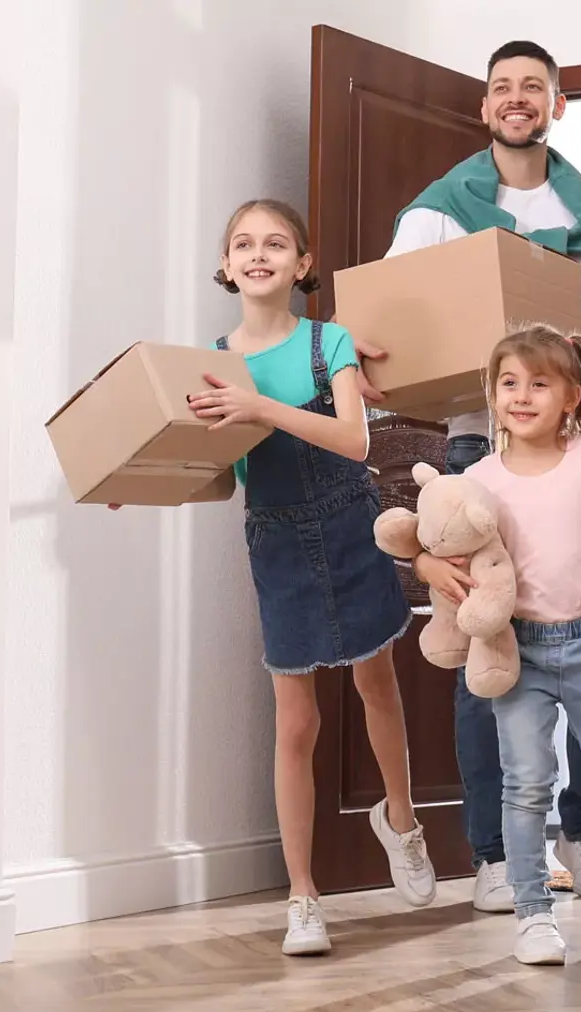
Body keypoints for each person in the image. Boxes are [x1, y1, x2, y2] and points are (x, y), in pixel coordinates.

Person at [375, 39, 581, 914]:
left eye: (534, 87)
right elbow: (392, 338)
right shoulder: (436, 213)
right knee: (488, 654)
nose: (517, 99)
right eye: (502, 89)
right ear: (484, 107)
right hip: (471, 455)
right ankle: (494, 853)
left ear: (558, 105)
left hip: (571, 458)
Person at [183, 198, 440, 957]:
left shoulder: (330, 342)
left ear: (302, 265)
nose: (257, 254)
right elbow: (216, 474)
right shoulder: (210, 363)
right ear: (226, 267)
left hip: (348, 519)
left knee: (376, 684)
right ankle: (303, 895)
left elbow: (355, 438)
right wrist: (148, 472)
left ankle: (402, 820)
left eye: (276, 243)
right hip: (278, 538)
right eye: (242, 244)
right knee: (295, 722)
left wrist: (260, 405)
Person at [413, 325, 581, 966]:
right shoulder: (478, 477)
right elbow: (434, 540)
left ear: (571, 396)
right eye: (509, 383)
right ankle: (534, 914)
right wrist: (429, 571)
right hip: (518, 651)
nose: (522, 396)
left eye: (539, 383)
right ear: (492, 394)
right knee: (526, 783)